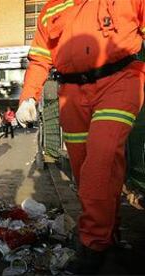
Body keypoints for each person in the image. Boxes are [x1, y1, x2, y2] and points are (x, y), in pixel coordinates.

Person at [16, 1, 145, 274]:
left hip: (120, 81)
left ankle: (94, 243)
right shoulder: (51, 8)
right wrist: (28, 96)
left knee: (101, 160)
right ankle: (110, 232)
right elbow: (40, 57)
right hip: (71, 93)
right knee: (87, 169)